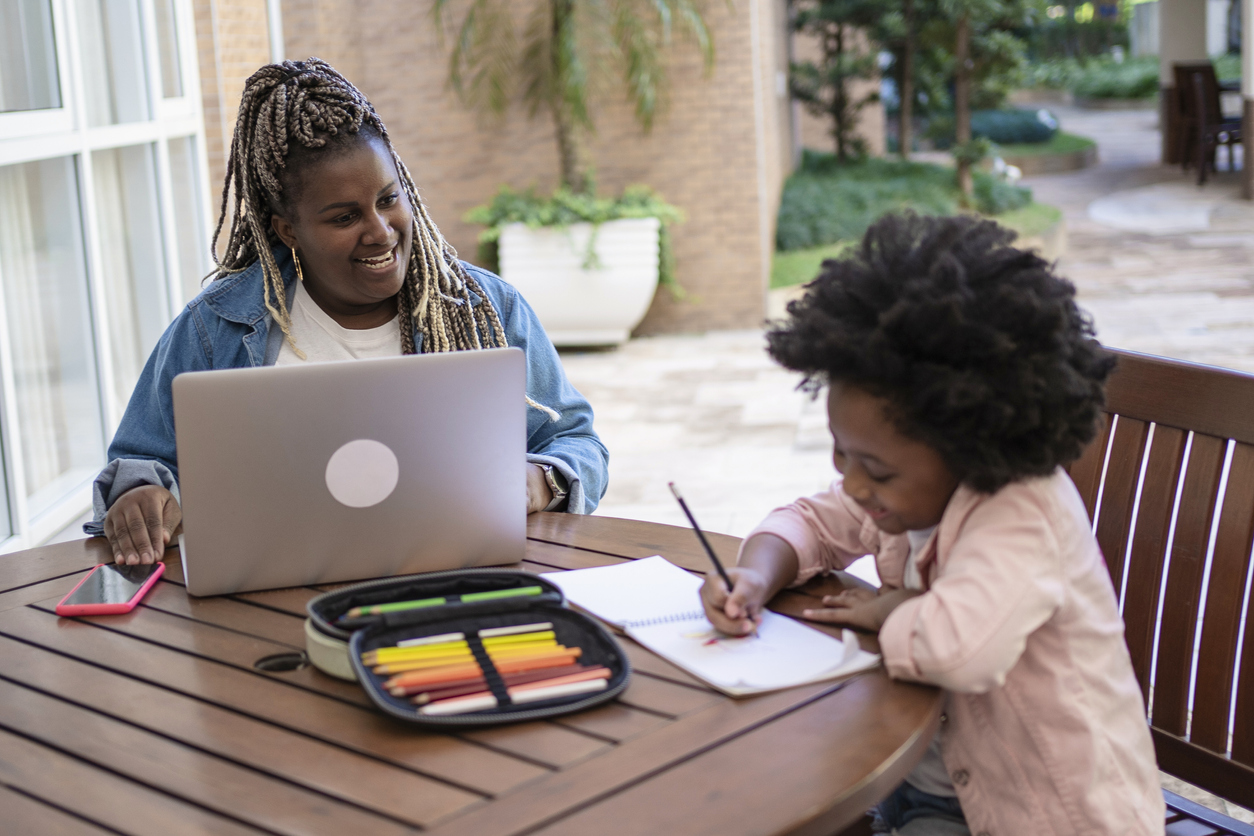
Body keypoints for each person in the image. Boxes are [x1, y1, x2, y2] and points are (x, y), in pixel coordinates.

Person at [699, 213, 1164, 835]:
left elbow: (958, 650)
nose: (856, 485)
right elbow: (812, 520)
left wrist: (885, 609)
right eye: (842, 454)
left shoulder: (1021, 511)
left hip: (1047, 816)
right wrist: (753, 575)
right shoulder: (899, 497)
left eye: (877, 470)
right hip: (923, 785)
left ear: (968, 444)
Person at [86, 59, 609, 566]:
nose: (380, 231)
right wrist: (139, 496)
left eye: (388, 199)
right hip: (268, 597)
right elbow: (141, 461)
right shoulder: (214, 327)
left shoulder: (484, 309)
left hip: (453, 578)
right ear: (287, 229)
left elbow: (577, 441)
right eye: (344, 217)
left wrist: (539, 480)